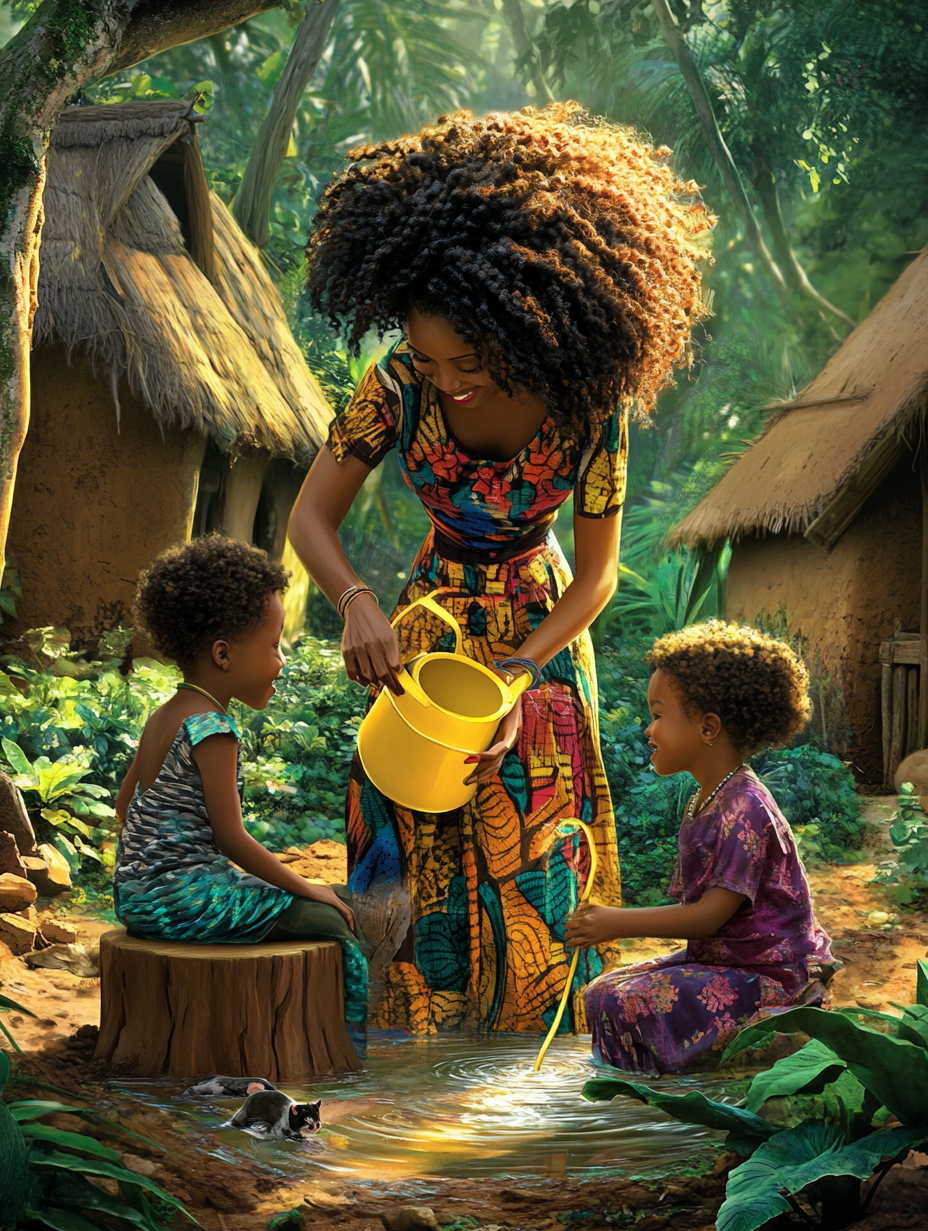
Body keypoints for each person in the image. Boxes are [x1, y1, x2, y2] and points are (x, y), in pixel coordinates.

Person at [289, 103, 712, 1034]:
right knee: (407, 829)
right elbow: (309, 518)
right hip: (427, 627)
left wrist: (525, 669)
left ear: (529, 326)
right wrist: (355, 601)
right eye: (430, 357)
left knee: (536, 845)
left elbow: (598, 573)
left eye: (468, 360)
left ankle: (533, 1065)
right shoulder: (397, 384)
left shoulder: (589, 403)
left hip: (543, 632)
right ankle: (408, 1051)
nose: (446, 380)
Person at [113, 535, 368, 1037]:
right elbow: (232, 840)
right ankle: (349, 1051)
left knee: (334, 897)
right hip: (184, 903)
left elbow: (126, 808)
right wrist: (307, 886)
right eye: (274, 646)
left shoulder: (163, 715)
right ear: (224, 654)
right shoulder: (214, 728)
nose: (281, 661)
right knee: (336, 923)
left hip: (136, 897)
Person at [569, 621, 835, 1073]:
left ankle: (657, 1098)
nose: (648, 729)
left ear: (708, 727)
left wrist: (617, 922)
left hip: (768, 977)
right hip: (721, 961)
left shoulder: (745, 808)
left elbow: (709, 915)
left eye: (657, 715)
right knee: (599, 992)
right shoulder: (706, 799)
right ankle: (633, 1091)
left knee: (624, 1003)